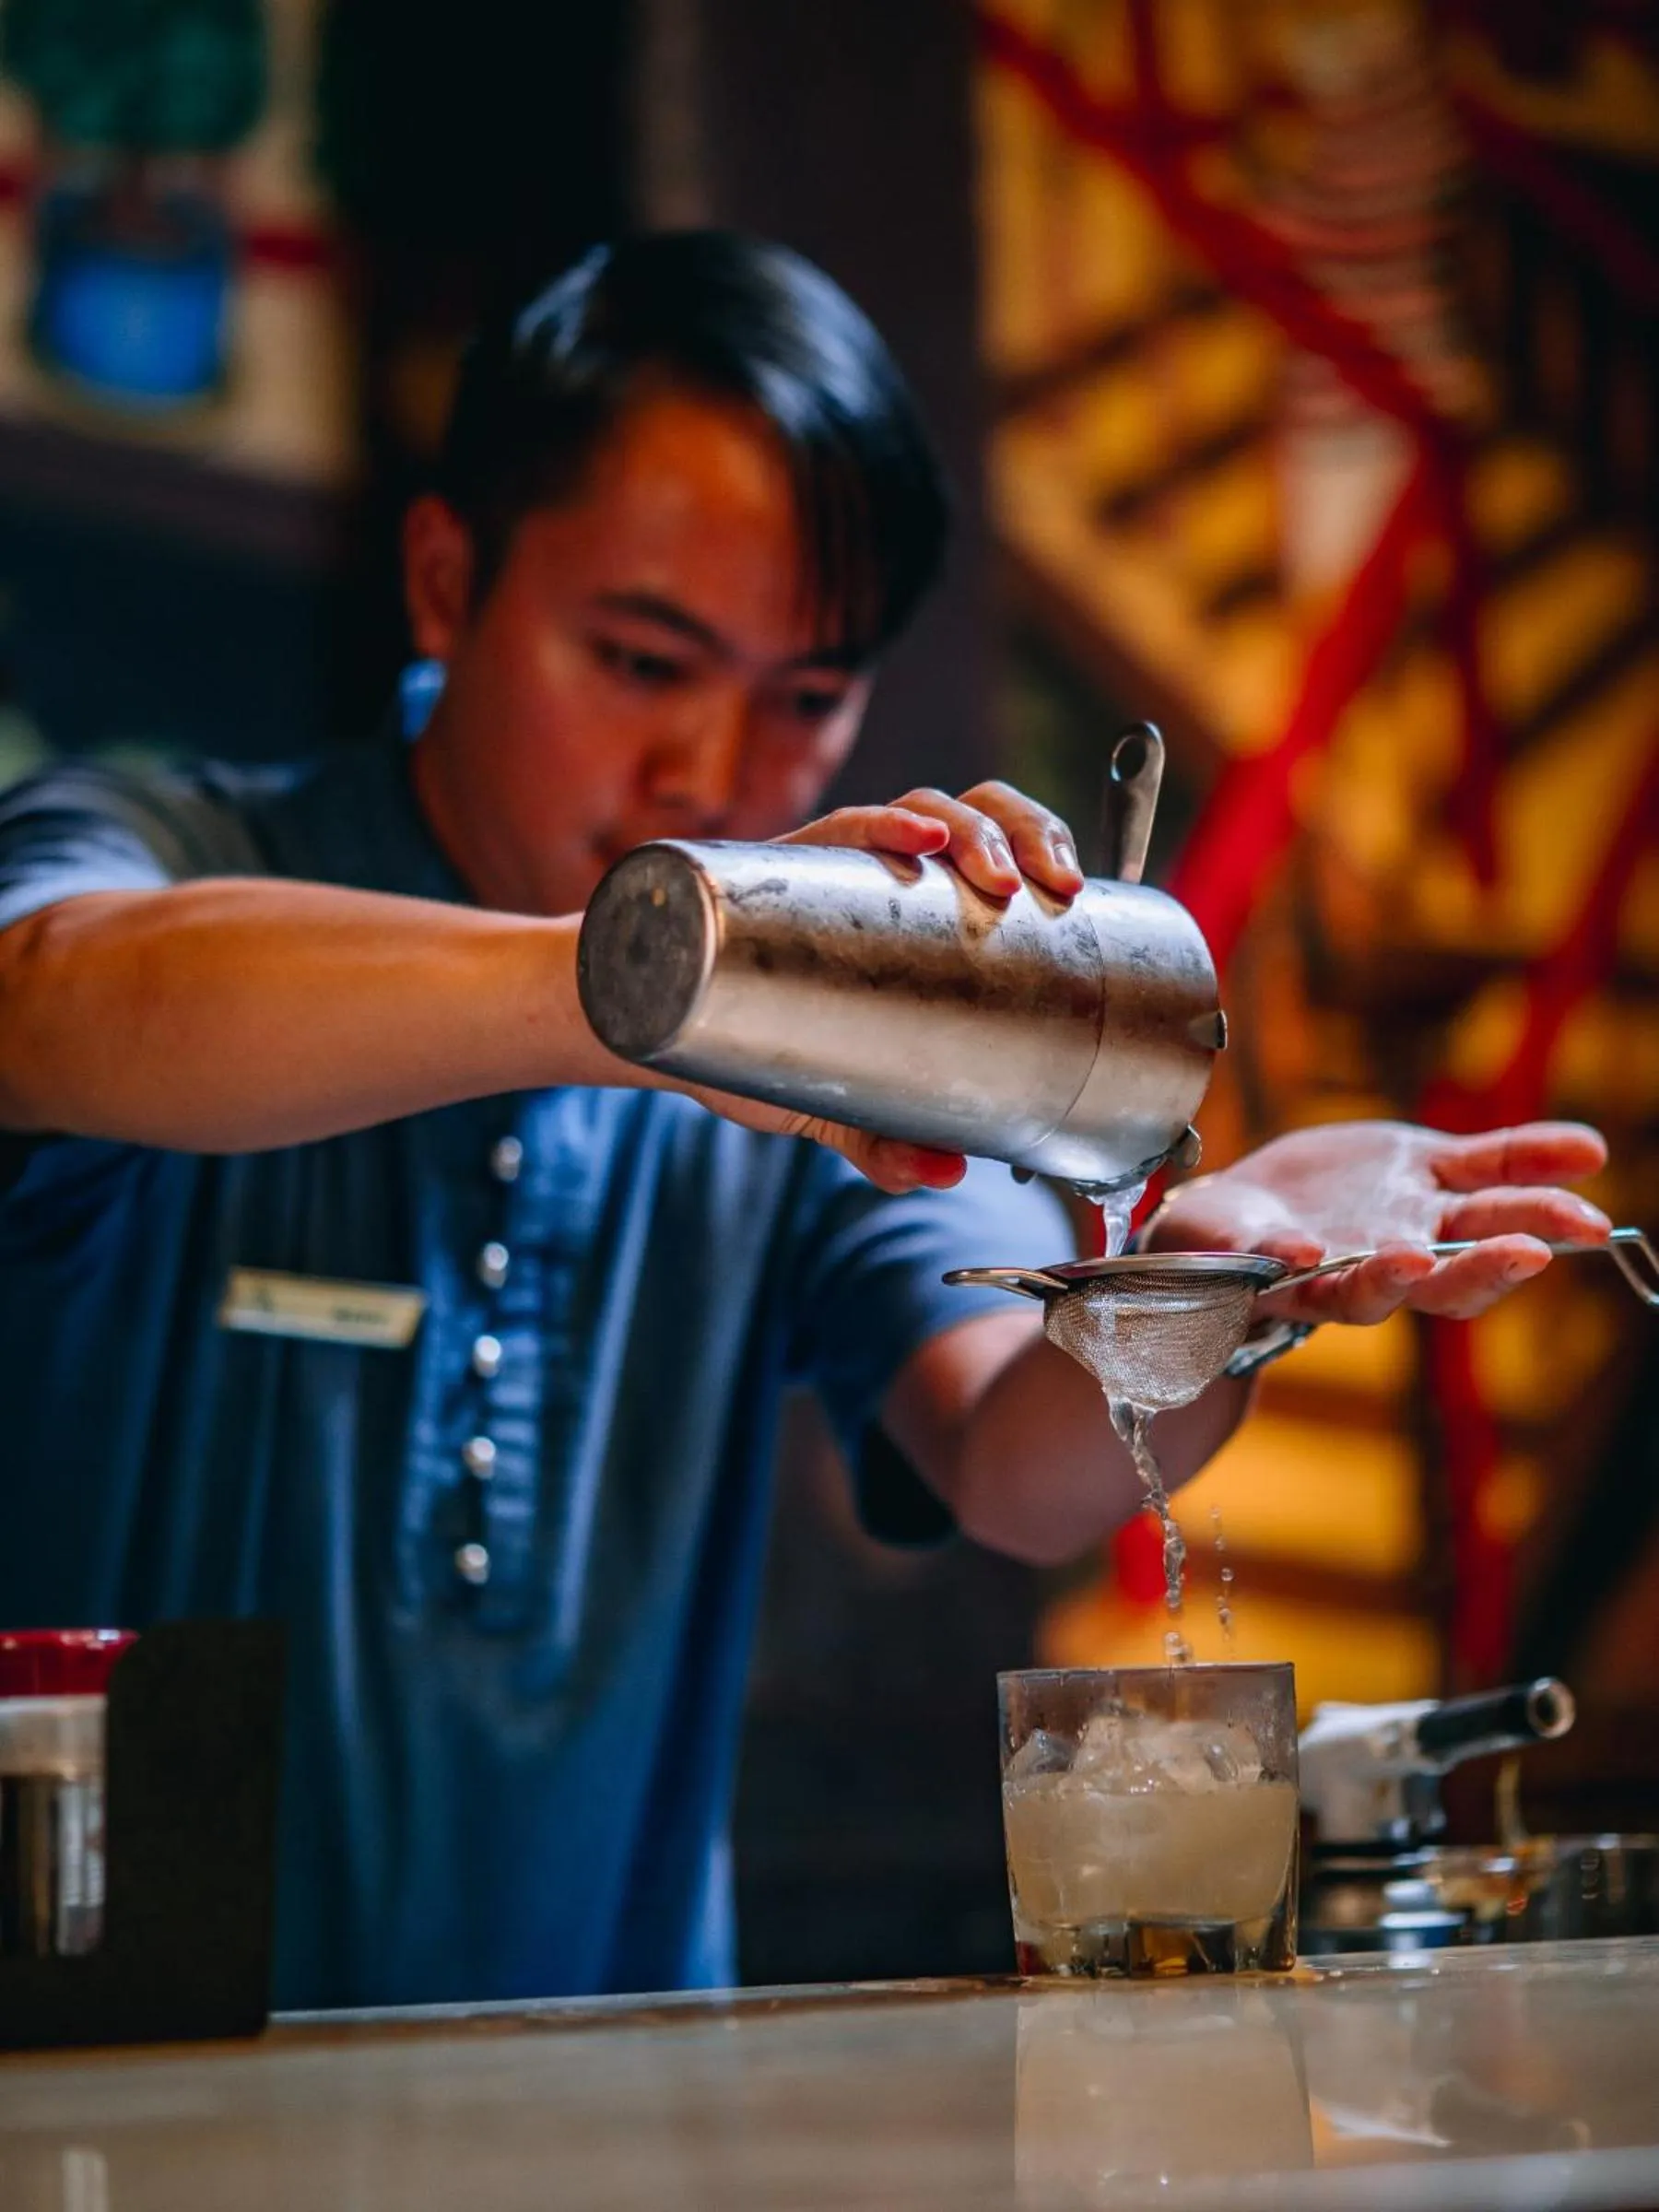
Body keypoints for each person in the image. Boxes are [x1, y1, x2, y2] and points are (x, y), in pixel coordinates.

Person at [0, 232, 1608, 2010]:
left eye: (807, 698)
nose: (712, 771)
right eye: (638, 659)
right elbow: (54, 1004)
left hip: (618, 2127)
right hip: (129, 2134)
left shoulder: (811, 1051)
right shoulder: (174, 854)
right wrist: (648, 981)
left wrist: (1205, 1285)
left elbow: (1012, 1461)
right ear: (448, 582)